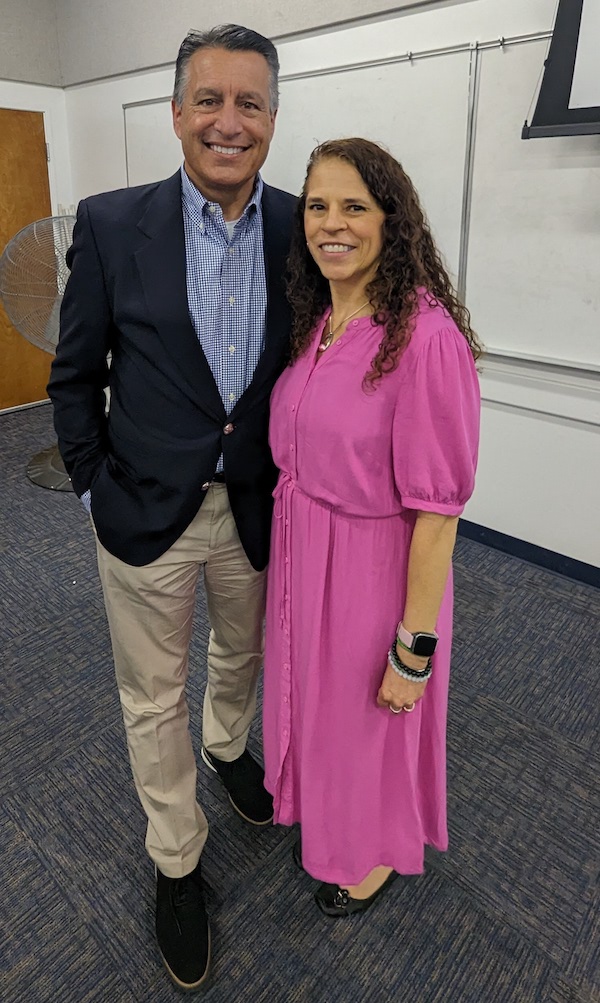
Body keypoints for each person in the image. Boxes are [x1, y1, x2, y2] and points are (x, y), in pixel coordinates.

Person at [48, 24, 296, 991]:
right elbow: (74, 377)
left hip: (257, 508)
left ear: (273, 119)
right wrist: (89, 486)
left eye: (250, 103)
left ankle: (231, 745)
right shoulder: (113, 224)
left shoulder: (301, 230)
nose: (228, 122)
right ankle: (177, 860)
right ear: (177, 112)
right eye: (210, 100)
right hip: (144, 511)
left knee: (242, 655)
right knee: (153, 697)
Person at [262, 137, 481, 917]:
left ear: (393, 220)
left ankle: (368, 852)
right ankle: (329, 817)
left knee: (369, 723)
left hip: (371, 571)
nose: (332, 222)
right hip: (304, 554)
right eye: (317, 205)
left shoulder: (425, 337)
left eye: (354, 205)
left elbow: (439, 516)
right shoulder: (322, 318)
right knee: (321, 717)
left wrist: (413, 650)